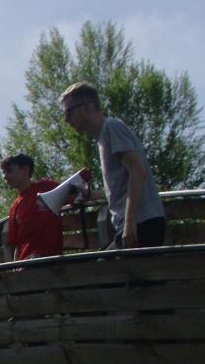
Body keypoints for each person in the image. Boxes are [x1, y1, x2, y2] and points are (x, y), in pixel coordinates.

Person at [59, 81, 166, 249]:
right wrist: (90, 195)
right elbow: (121, 189)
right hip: (137, 225)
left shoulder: (112, 127)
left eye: (69, 112)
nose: (66, 120)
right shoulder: (103, 138)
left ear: (88, 106)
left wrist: (129, 223)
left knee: (103, 265)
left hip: (141, 223)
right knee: (105, 263)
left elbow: (138, 171)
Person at [1, 154, 72, 260]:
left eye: (9, 171)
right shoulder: (15, 207)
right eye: (4, 172)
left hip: (50, 259)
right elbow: (17, 245)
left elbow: (78, 195)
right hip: (28, 262)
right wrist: (16, 268)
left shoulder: (46, 188)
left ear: (25, 170)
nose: (5, 176)